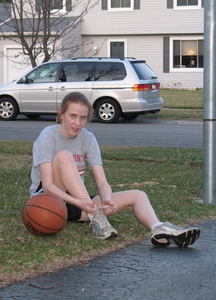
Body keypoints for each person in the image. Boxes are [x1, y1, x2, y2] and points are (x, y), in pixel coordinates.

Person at [29, 92, 200, 247]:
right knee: (65, 156)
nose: (77, 123)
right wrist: (81, 203)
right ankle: (97, 218)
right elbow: (49, 185)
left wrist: (107, 198)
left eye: (82, 117)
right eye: (72, 116)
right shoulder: (48, 135)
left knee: (138, 195)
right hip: (49, 201)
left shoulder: (88, 138)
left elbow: (102, 181)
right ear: (61, 114)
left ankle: (158, 228)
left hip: (79, 204)